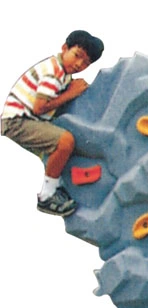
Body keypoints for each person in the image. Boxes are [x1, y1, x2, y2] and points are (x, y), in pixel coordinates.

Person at [1, 30, 104, 217]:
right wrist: (71, 93)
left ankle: (60, 181)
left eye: (86, 63)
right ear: (65, 48)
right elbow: (39, 108)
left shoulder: (62, 74)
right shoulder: (53, 72)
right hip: (18, 120)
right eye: (77, 56)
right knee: (64, 141)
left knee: (66, 140)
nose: (79, 64)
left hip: (28, 119)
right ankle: (47, 196)